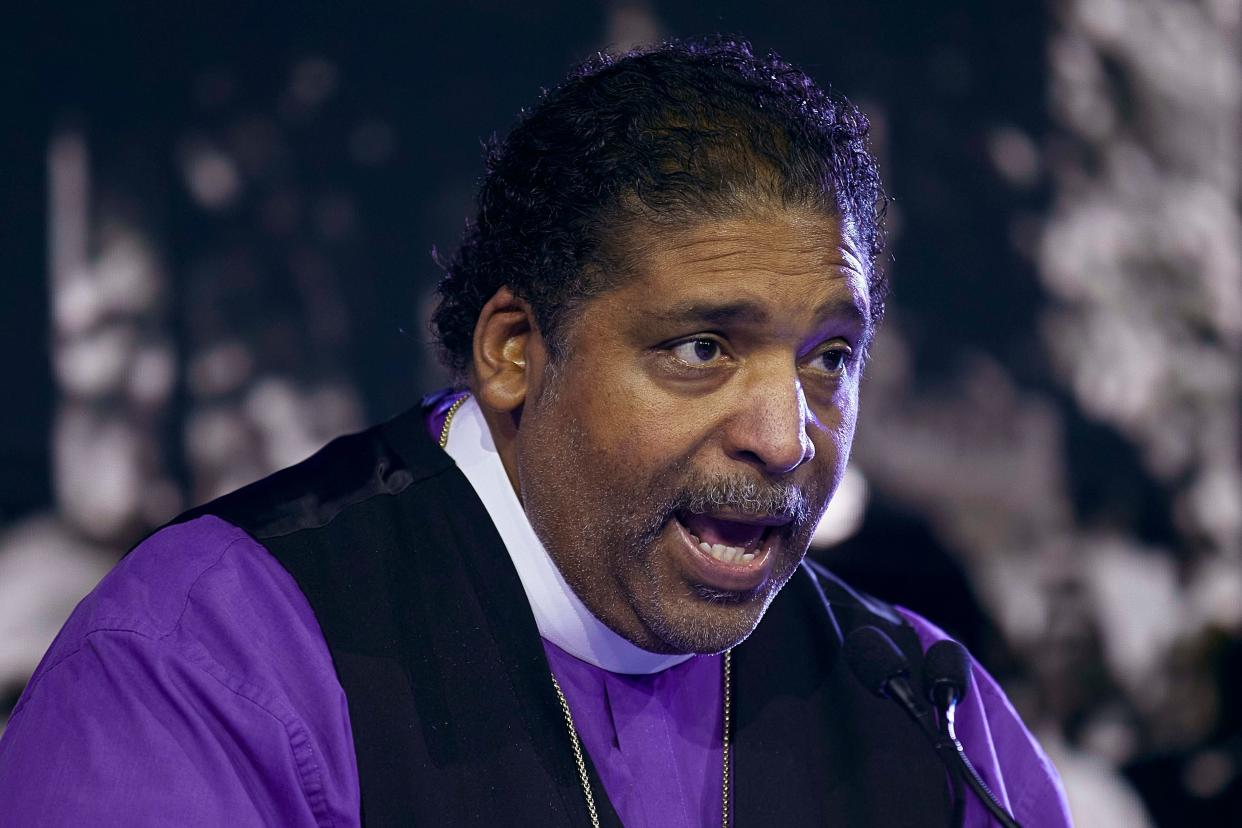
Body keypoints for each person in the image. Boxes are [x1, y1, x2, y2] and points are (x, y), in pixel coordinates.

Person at [0, 38, 1071, 826]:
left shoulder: (928, 717)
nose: (786, 437)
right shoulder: (202, 664)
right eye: (702, 348)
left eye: (829, 358)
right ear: (514, 350)